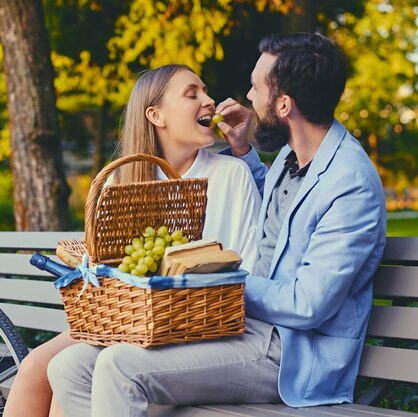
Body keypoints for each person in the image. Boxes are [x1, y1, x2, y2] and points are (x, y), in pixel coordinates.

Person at [47, 32, 386, 416]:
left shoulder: (350, 182)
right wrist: (242, 149)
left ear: (285, 104)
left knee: (119, 366)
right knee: (68, 367)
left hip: (292, 354)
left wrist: (211, 283)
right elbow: (284, 214)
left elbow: (308, 305)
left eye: (257, 89)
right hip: (245, 331)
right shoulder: (297, 156)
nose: (249, 98)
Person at [2, 64, 262, 417]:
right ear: (156, 115)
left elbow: (240, 269)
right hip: (125, 321)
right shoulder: (122, 182)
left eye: (205, 91)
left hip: (190, 325)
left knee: (68, 373)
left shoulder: (231, 175)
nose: (209, 100)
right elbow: (107, 274)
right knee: (38, 366)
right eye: (192, 94)